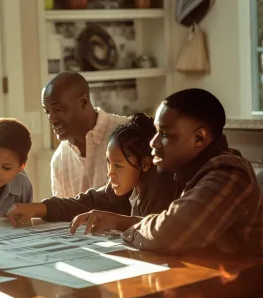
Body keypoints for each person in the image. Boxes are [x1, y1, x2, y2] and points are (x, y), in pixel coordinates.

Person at [70, 88, 263, 256]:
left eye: (164, 134)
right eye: (155, 132)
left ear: (199, 138)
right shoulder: (191, 173)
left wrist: (128, 228)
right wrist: (120, 222)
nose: (153, 142)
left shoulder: (229, 173)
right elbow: (171, 225)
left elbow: (172, 233)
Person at [6, 113, 177, 226]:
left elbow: (155, 229)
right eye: (108, 163)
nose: (110, 173)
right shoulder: (126, 185)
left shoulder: (159, 184)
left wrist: (116, 221)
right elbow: (90, 201)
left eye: (118, 165)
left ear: (145, 164)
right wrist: (40, 208)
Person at [43, 71, 128, 197]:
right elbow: (63, 215)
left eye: (58, 109)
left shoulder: (127, 131)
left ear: (83, 102)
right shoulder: (59, 161)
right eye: (47, 111)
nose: (51, 119)